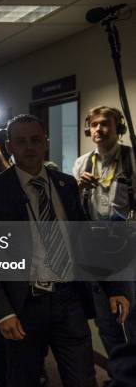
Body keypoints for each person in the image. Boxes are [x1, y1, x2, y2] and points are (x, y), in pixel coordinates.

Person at [0, 114, 130, 387]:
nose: (29, 147)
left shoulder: (66, 184)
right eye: (21, 141)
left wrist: (114, 287)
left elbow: (85, 240)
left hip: (68, 302)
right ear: (9, 146)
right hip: (24, 305)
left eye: (36, 140)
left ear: (45, 142)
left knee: (83, 379)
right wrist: (2, 311)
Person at [73, 105, 136, 382]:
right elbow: (74, 209)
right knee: (105, 321)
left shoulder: (132, 160)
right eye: (94, 125)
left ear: (118, 127)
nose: (99, 130)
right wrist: (78, 188)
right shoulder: (82, 162)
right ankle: (119, 375)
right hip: (94, 249)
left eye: (105, 124)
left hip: (127, 250)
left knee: (129, 319)